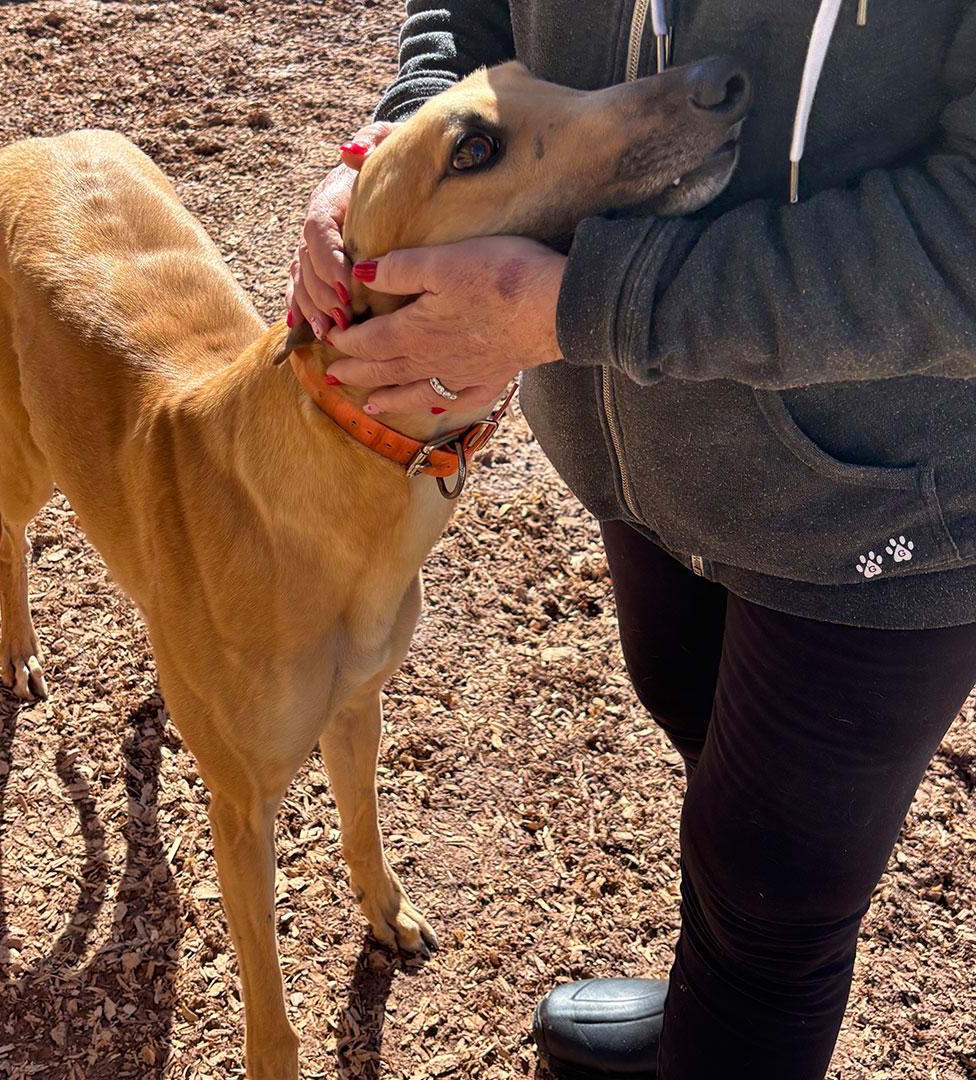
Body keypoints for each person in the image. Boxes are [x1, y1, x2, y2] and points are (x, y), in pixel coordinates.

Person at [286, 3, 976, 1077]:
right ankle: (716, 998)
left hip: (881, 502)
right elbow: (465, 16)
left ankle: (736, 997)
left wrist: (584, 306)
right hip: (643, 455)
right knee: (705, 750)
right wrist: (396, 157)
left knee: (773, 894)